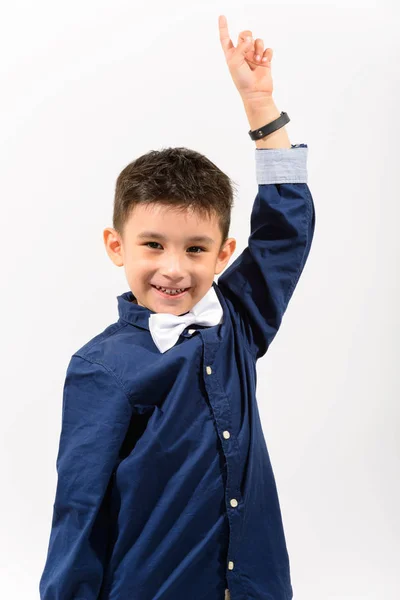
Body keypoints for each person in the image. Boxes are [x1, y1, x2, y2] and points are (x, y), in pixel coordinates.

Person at [39, 14, 315, 600]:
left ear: (223, 254)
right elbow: (80, 512)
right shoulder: (102, 368)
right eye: (152, 245)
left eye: (195, 249)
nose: (174, 267)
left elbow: (286, 231)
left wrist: (261, 108)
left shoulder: (237, 325)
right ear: (117, 246)